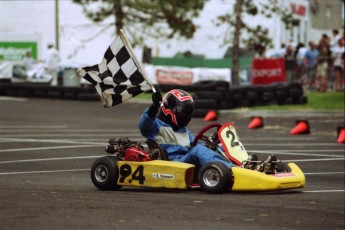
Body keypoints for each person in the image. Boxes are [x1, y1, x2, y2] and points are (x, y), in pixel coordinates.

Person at [138, 89, 275, 174]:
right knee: (198, 151)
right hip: (173, 165)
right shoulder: (155, 126)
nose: (184, 114)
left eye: (187, 111)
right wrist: (153, 107)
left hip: (186, 162)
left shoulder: (183, 131)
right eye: (181, 110)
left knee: (216, 146)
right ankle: (237, 171)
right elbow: (144, 125)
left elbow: (195, 144)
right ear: (168, 108)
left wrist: (212, 144)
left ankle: (246, 165)